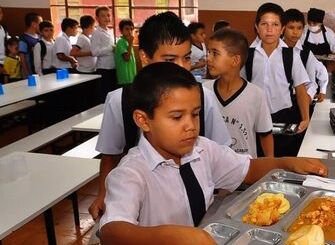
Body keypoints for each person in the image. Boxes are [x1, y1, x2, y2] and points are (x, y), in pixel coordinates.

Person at [99, 62, 327, 245]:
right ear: (143, 120)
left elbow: (248, 169)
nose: (190, 125)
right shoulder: (131, 172)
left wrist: (285, 163)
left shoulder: (202, 150)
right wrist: (170, 239)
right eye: (177, 117)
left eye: (195, 114)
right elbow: (112, 235)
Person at [89, 12, 231, 221]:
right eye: (170, 59)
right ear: (145, 57)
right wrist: (103, 193)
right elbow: (110, 155)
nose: (182, 67)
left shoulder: (203, 97)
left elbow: (222, 152)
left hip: (193, 198)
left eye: (187, 58)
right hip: (142, 201)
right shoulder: (120, 100)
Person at [242, 2, 311, 157]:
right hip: (255, 118)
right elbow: (240, 87)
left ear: (282, 29)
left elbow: (300, 89)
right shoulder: (248, 55)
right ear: (256, 27)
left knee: (283, 159)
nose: (269, 29)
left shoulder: (291, 55)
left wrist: (306, 118)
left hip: (284, 116)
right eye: (264, 24)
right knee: (260, 160)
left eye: (275, 24)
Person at [205, 28, 274, 158]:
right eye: (208, 52)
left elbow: (265, 134)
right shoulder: (204, 91)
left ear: (235, 60)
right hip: (212, 169)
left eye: (215, 53)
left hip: (245, 170)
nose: (208, 58)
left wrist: (269, 163)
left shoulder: (256, 94)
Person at [282, 8, 328, 102]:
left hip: (298, 99)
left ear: (303, 29)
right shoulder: (275, 49)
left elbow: (312, 82)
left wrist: (308, 97)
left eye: (299, 28)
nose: (295, 32)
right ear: (283, 28)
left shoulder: (306, 53)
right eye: (291, 27)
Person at [91, 6, 116, 97]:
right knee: (105, 95)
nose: (107, 18)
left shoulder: (109, 31)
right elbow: (94, 52)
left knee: (112, 94)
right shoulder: (96, 33)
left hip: (112, 67)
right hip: (104, 68)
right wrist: (110, 48)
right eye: (103, 16)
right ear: (97, 18)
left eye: (108, 15)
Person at [18, 12, 42, 78]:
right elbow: (22, 57)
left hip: (39, 71)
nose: (42, 26)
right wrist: (27, 74)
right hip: (30, 72)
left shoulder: (40, 37)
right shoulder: (24, 38)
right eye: (40, 23)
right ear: (33, 24)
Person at [114, 18, 136, 85]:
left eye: (131, 29)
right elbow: (126, 58)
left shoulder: (128, 41)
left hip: (131, 76)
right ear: (121, 31)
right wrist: (130, 44)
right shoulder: (121, 42)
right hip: (124, 77)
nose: (129, 31)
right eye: (126, 29)